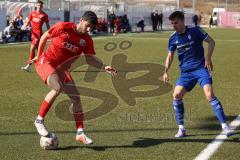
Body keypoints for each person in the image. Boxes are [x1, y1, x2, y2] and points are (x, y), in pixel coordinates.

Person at [31, 11, 117, 144]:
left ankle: (80, 133)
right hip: (46, 62)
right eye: (88, 25)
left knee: (76, 98)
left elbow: (90, 60)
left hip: (62, 69)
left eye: (92, 28)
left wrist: (104, 66)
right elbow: (44, 36)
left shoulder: (87, 40)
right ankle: (39, 120)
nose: (89, 29)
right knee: (57, 88)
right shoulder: (64, 27)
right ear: (81, 20)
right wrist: (39, 55)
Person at [163, 11, 234, 138]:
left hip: (201, 69)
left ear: (183, 21)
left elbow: (211, 42)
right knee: (176, 95)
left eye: (176, 23)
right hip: (186, 73)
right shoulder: (173, 38)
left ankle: (225, 126)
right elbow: (170, 56)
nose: (174, 25)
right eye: (172, 23)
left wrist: (208, 58)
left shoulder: (195, 31)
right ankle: (181, 129)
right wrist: (166, 71)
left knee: (209, 94)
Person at [21, 0, 50, 72]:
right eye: (38, 5)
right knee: (39, 53)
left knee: (32, 49)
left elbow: (48, 26)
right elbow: (27, 22)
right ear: (36, 6)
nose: (39, 7)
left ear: (42, 7)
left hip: (39, 35)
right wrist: (24, 26)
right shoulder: (32, 13)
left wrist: (50, 33)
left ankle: (28, 66)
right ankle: (46, 65)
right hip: (33, 34)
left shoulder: (44, 15)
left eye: (41, 6)